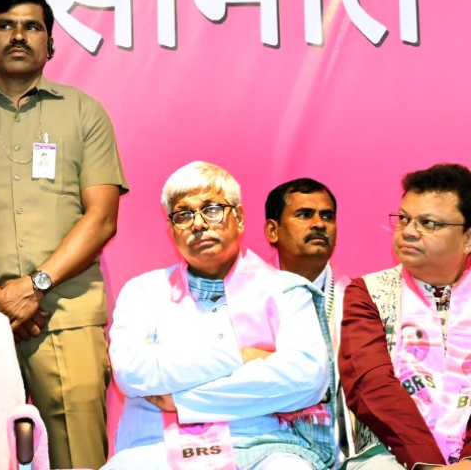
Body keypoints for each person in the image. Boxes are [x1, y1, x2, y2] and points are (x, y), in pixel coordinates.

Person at [0, 0, 126, 470]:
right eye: (5, 25)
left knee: (77, 458)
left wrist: (36, 284)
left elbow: (102, 217)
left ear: (51, 44)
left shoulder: (84, 113)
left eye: (32, 26)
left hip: (64, 316)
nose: (18, 35)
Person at [105, 161, 334, 470]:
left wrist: (182, 400)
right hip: (157, 448)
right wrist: (239, 356)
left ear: (238, 218)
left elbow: (307, 378)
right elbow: (132, 372)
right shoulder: (144, 291)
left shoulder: (287, 290)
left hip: (265, 444)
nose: (198, 224)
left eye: (212, 209)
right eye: (184, 214)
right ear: (172, 229)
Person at [340, 163, 471, 469]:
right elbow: (370, 384)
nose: (409, 231)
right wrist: (429, 464)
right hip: (389, 454)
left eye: (428, 223)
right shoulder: (367, 292)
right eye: (404, 219)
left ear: (468, 238)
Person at [264, 178, 349, 466]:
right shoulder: (248, 301)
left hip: (348, 452)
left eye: (327, 216)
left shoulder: (360, 301)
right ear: (272, 230)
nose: (319, 224)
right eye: (304, 214)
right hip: (270, 447)